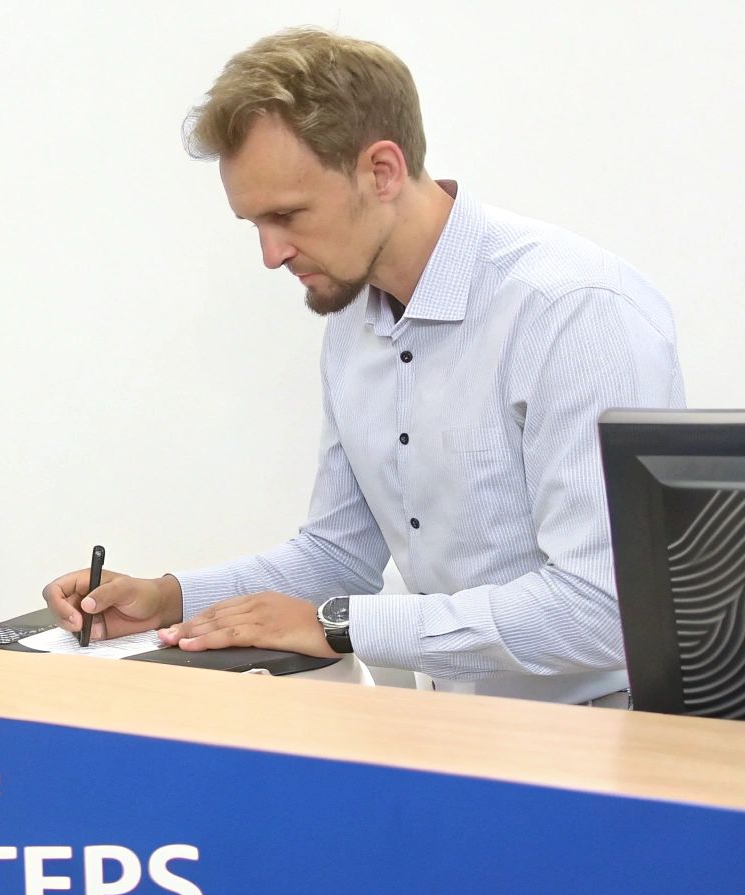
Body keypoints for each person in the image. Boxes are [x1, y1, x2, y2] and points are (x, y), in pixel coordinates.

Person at [42, 28, 684, 704]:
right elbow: (337, 555)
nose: (271, 254)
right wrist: (170, 597)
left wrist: (342, 626)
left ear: (381, 170)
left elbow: (601, 609)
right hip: (452, 731)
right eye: (254, 224)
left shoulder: (573, 312)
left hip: (606, 744)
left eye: (288, 215)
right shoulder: (352, 315)